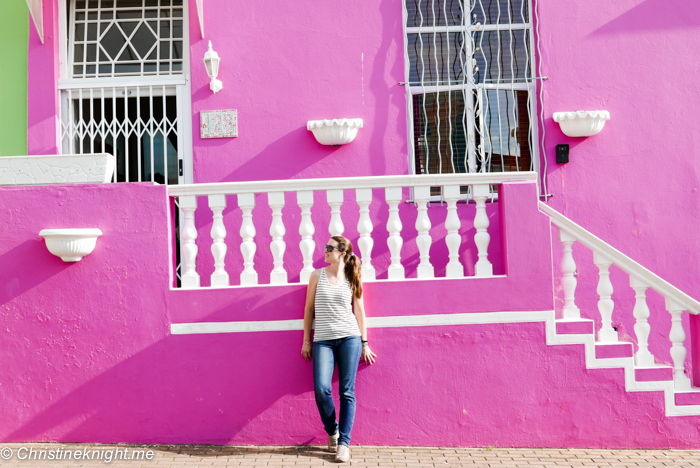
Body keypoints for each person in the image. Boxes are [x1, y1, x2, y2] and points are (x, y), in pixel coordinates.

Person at [301, 235, 377, 463]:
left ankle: (344, 444)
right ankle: (332, 431)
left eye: (329, 248)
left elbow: (360, 310)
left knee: (347, 392)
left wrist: (364, 342)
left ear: (341, 253)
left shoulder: (352, 276)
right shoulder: (316, 275)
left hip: (349, 339)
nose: (324, 251)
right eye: (325, 247)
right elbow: (308, 309)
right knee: (322, 389)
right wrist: (306, 340)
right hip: (323, 340)